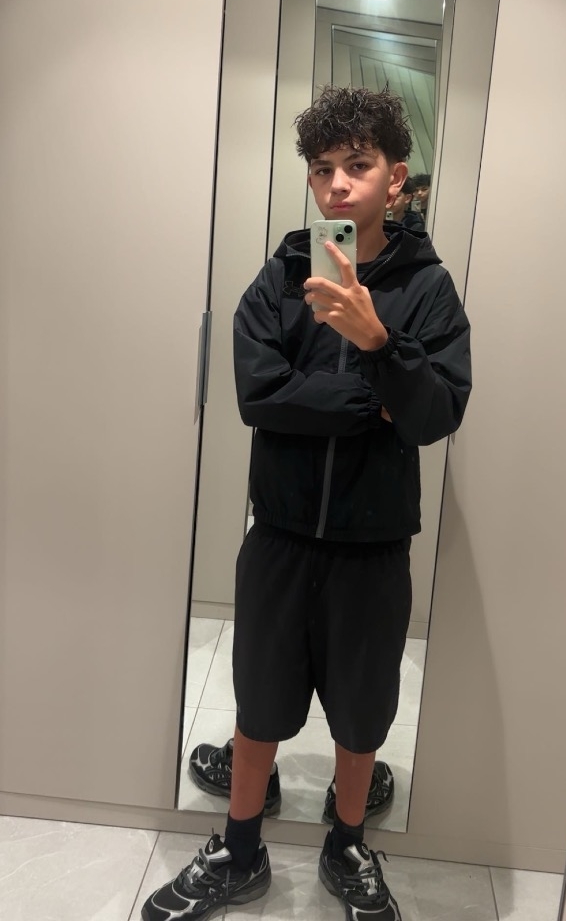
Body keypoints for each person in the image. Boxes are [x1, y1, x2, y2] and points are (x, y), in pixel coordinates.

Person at [142, 87, 472, 921]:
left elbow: (435, 415)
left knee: (362, 708)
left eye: (357, 165)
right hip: (280, 533)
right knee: (259, 695)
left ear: (394, 178)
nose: (337, 184)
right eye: (323, 169)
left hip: (373, 543)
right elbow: (259, 397)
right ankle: (240, 847)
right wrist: (371, 401)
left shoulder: (427, 290)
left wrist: (377, 341)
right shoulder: (282, 276)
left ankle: (347, 841)